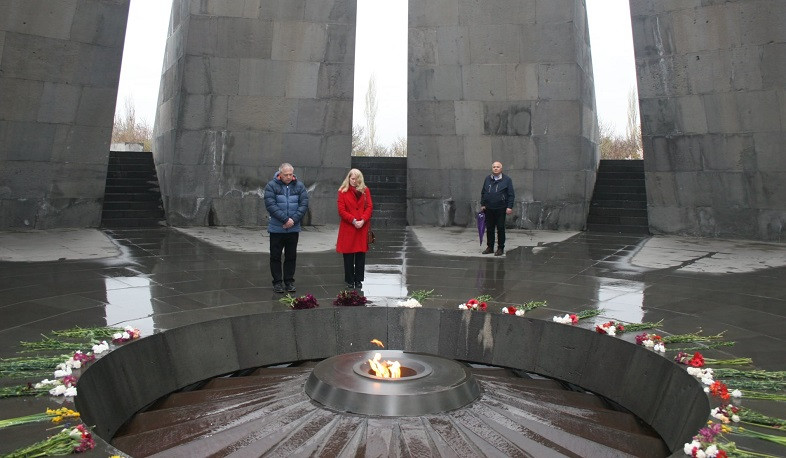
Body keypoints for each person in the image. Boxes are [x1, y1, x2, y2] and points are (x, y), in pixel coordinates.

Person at [264, 163, 309, 293]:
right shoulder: (271, 186)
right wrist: (285, 219)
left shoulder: (299, 186)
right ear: (280, 174)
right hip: (277, 229)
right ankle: (277, 282)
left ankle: (289, 281)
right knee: (275, 256)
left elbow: (304, 204)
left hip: (293, 229)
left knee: (291, 256)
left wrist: (293, 220)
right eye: (286, 175)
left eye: (291, 174)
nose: (289, 177)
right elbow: (270, 205)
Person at [336, 168, 373, 289]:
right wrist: (353, 220)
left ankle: (358, 280)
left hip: (362, 227)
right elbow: (341, 210)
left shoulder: (365, 191)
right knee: (348, 255)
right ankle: (349, 280)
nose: (354, 181)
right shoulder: (342, 191)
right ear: (348, 178)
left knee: (360, 255)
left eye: (357, 179)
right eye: (352, 178)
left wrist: (363, 219)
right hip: (349, 227)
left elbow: (369, 207)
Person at [480, 161, 515, 256]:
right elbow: (483, 192)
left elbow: (511, 195)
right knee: (490, 228)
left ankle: (500, 248)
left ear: (501, 169)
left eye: (498, 167)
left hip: (501, 208)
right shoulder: (487, 179)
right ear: (492, 168)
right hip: (489, 208)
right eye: (494, 167)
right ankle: (490, 247)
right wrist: (483, 204)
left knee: (500, 228)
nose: (495, 168)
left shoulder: (507, 180)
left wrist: (509, 206)